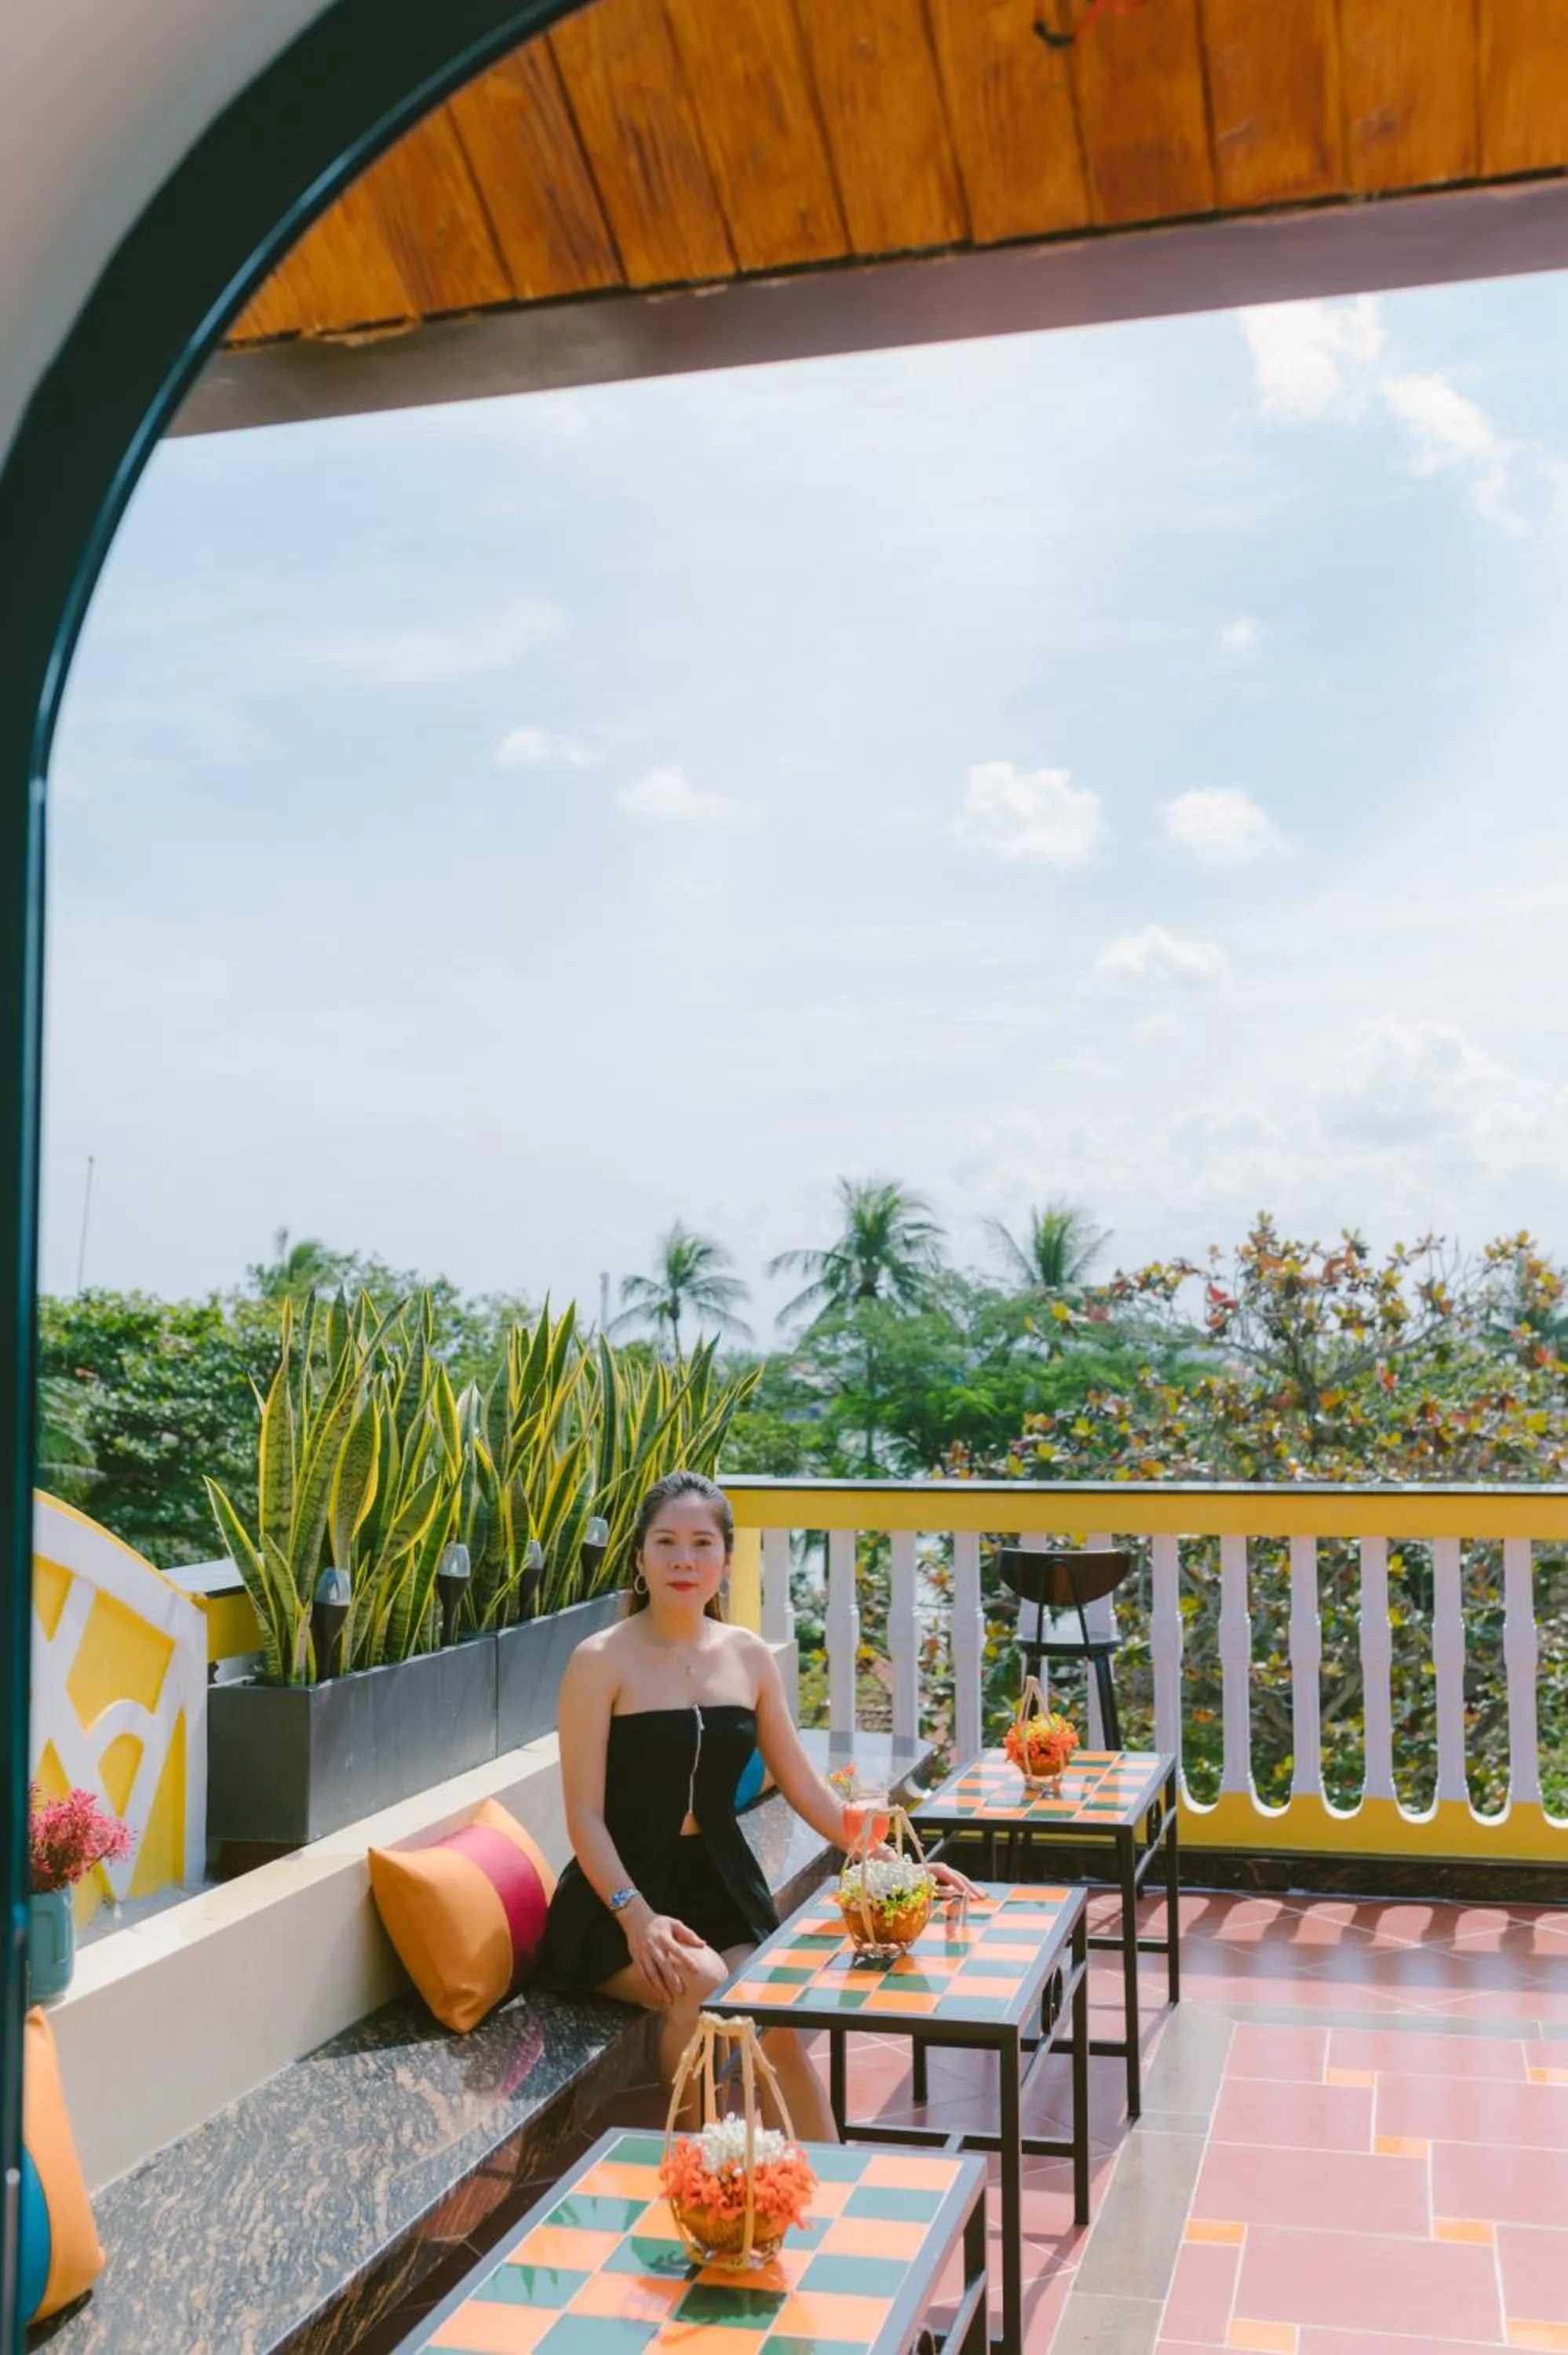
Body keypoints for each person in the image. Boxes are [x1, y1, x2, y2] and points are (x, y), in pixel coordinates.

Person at [534, 1468, 975, 2138]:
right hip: (615, 1895)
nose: (685, 1559)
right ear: (639, 1559)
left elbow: (805, 1788)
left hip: (718, 1884)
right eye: (666, 1542)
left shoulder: (747, 1656)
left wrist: (896, 1869)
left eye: (702, 1544)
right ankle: (685, 2180)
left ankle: (832, 2193)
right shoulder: (599, 1661)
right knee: (705, 1984)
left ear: (726, 1560)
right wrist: (637, 1919)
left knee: (774, 2023)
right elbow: (583, 1816)